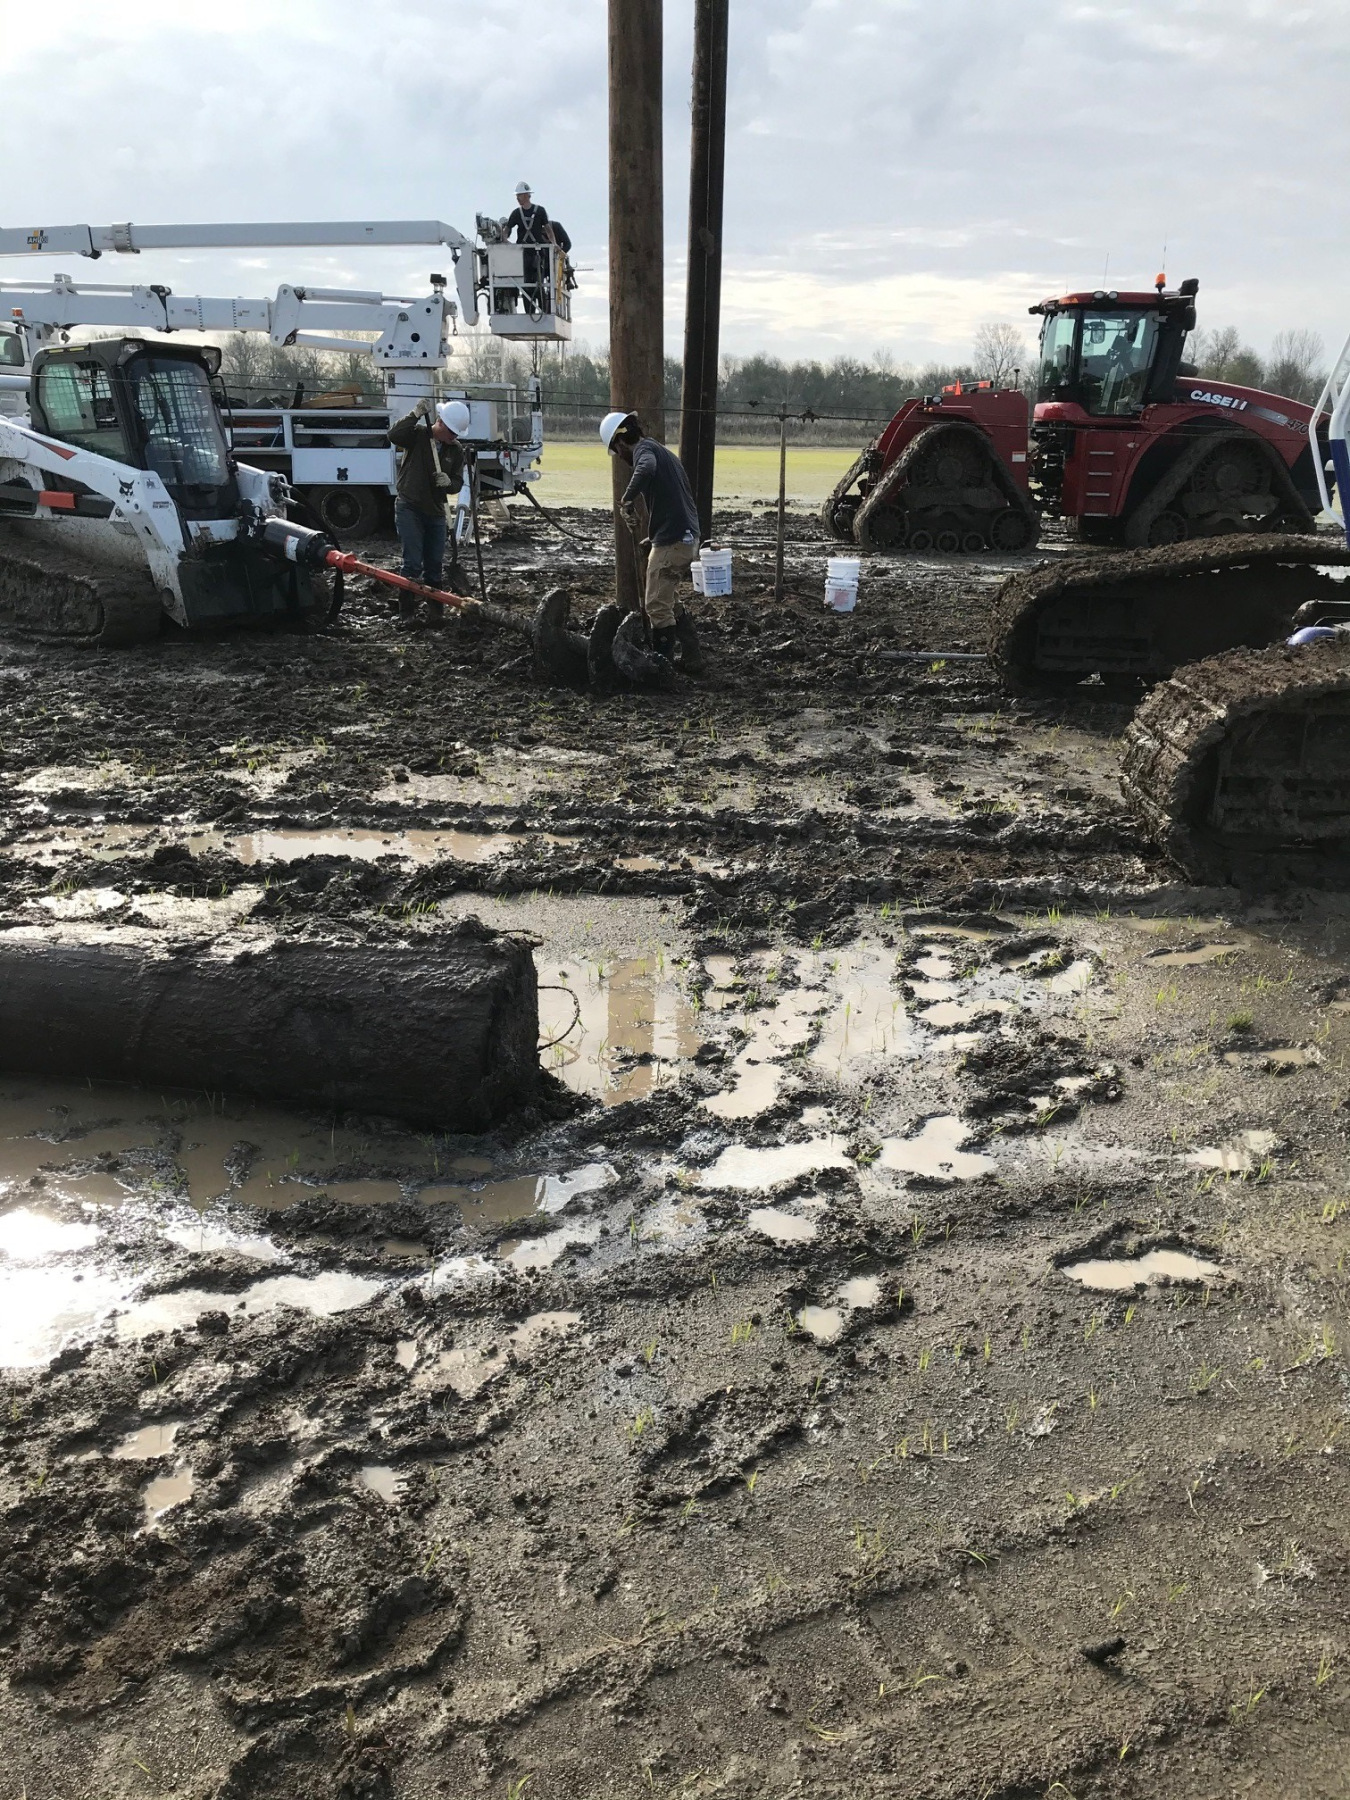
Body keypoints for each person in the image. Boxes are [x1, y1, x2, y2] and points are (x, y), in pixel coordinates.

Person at [600, 409, 700, 664]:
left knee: (655, 605)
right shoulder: (658, 449)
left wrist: (626, 500)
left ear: (620, 442)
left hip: (674, 540)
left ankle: (660, 667)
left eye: (615, 451)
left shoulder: (645, 453)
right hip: (684, 537)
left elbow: (646, 469)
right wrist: (654, 539)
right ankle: (692, 656)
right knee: (667, 599)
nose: (619, 457)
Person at [386, 398, 469, 616]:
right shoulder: (418, 436)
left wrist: (449, 483)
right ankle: (407, 613)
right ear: (440, 423)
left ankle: (435, 613)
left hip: (436, 512)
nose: (454, 438)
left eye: (457, 434)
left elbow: (458, 482)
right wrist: (414, 414)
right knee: (412, 563)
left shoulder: (455, 450)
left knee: (434, 565)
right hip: (409, 507)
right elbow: (394, 436)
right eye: (452, 433)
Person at [504, 182, 556, 311]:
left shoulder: (540, 211)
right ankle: (530, 312)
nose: (517, 198)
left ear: (527, 195)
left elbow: (548, 229)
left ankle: (543, 309)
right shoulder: (516, 213)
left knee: (539, 282)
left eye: (519, 195)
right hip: (524, 253)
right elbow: (507, 229)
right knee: (526, 284)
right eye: (517, 196)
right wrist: (505, 242)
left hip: (537, 253)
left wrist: (554, 244)